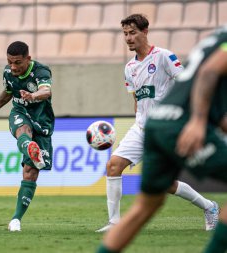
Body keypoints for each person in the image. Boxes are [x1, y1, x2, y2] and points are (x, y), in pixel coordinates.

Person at [98, 25, 227, 253]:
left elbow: (184, 81)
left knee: (154, 197)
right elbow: (205, 74)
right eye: (125, 34)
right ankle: (113, 221)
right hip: (155, 124)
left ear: (144, 32)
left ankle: (208, 206)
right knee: (114, 165)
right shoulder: (129, 67)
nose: (128, 38)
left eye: (132, 32)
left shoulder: (165, 56)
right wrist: (197, 120)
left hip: (164, 122)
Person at [0, 41, 54, 232]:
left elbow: (46, 90)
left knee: (30, 172)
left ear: (28, 58)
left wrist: (33, 96)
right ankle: (28, 147)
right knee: (22, 130)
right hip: (20, 113)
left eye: (17, 62)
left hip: (42, 122)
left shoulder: (42, 71)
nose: (13, 67)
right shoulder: (8, 73)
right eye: (10, 62)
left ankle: (16, 219)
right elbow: (8, 93)